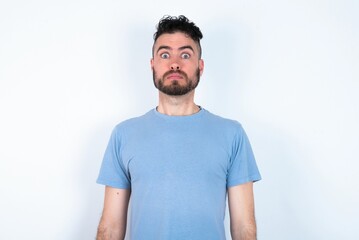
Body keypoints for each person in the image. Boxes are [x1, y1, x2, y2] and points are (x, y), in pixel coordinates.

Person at [96, 15, 261, 240]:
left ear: (200, 66)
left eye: (185, 54)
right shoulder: (123, 135)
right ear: (152, 64)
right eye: (165, 54)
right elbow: (111, 229)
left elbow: (244, 228)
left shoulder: (232, 134)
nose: (174, 63)